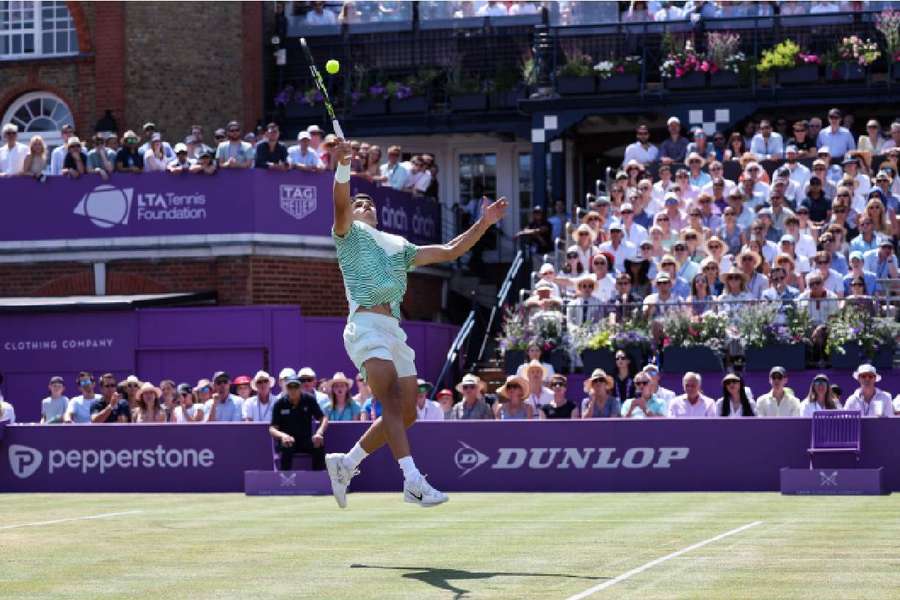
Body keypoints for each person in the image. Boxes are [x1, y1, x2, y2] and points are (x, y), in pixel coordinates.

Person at [323, 138, 506, 509]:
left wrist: (483, 224)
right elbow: (341, 201)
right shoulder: (347, 235)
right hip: (365, 326)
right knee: (388, 398)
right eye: (359, 203)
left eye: (369, 202)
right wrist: (342, 167)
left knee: (407, 413)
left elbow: (451, 249)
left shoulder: (398, 245)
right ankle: (412, 480)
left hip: (394, 329)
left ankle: (347, 463)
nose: (364, 204)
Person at [269, 375, 329, 470]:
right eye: (290, 387)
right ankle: (285, 480)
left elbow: (323, 418)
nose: (293, 390)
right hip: (288, 441)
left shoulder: (309, 399)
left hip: (306, 441)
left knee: (318, 444)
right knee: (286, 447)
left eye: (295, 387)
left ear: (300, 387)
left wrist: (319, 433)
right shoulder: (279, 404)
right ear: (286, 388)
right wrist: (283, 436)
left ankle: (317, 479)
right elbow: (272, 428)